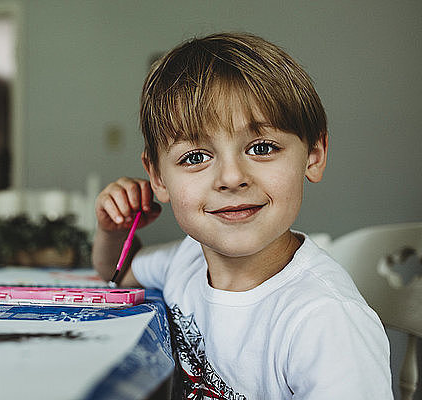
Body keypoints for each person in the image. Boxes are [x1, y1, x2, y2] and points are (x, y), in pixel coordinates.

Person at [92, 32, 392, 399]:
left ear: (313, 153)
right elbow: (118, 276)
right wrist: (113, 232)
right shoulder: (185, 258)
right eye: (195, 157)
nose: (232, 178)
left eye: (262, 148)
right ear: (158, 177)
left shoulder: (327, 321)